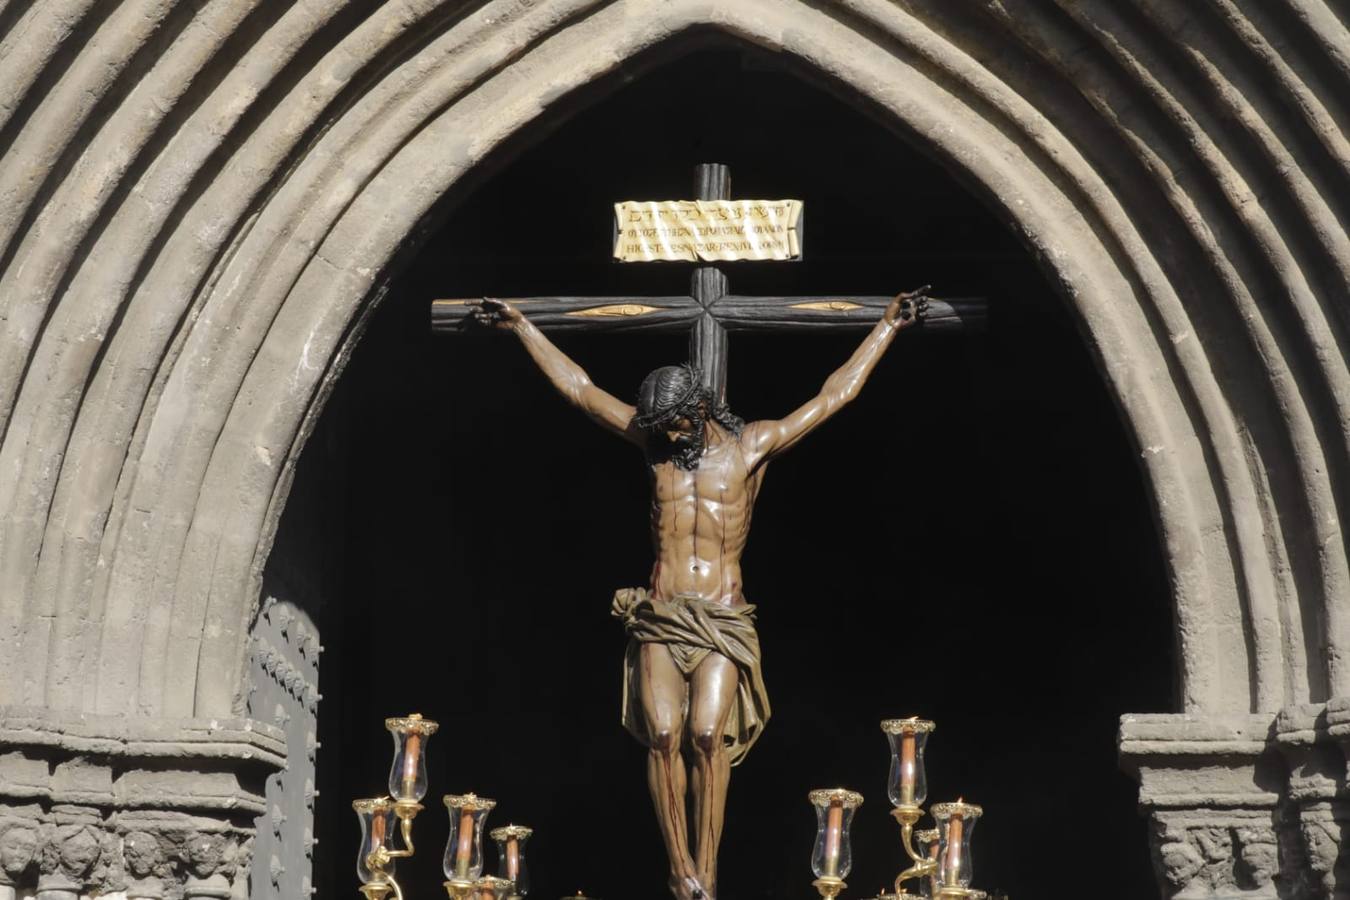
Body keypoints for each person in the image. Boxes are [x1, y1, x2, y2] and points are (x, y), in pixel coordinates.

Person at [469, 288, 929, 900]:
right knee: (662, 734)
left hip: (721, 617)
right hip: (662, 615)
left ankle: (705, 875)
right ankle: (678, 866)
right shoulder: (656, 448)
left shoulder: (750, 447)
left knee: (708, 736)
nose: (667, 436)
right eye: (659, 428)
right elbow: (581, 391)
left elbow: (833, 396)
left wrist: (887, 327)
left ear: (700, 407)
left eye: (676, 424)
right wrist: (523, 326)